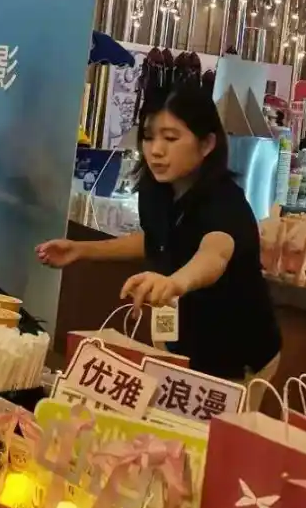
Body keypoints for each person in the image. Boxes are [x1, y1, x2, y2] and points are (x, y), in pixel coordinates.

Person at [37, 83, 281, 382]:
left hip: (237, 358)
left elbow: (214, 255)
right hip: (180, 342)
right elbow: (158, 240)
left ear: (207, 144)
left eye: (171, 138)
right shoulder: (157, 190)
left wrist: (175, 282)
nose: (156, 150)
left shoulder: (225, 203)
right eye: (149, 137)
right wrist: (81, 249)